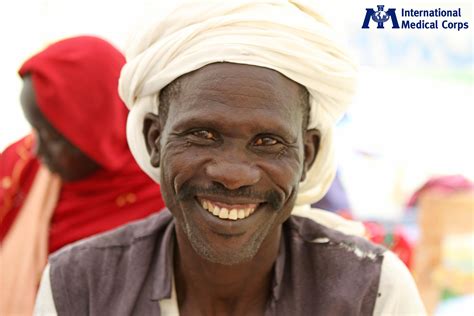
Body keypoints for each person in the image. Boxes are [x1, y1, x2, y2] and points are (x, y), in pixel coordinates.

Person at [34, 1, 426, 315]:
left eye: (268, 141)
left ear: (309, 153)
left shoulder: (372, 291)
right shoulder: (78, 286)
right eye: (202, 135)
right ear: (154, 139)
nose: (233, 174)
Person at [0, 36, 165, 315]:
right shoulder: (20, 167)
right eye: (34, 129)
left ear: (97, 131)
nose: (36, 149)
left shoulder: (160, 201)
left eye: (51, 136)